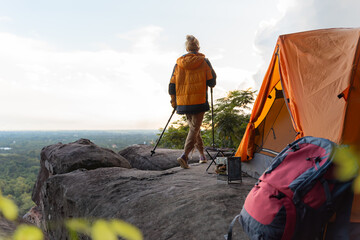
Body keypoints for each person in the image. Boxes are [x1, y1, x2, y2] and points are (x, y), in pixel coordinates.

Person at [168, 35, 216, 169]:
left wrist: (174, 102)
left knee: (194, 128)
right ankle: (185, 156)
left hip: (183, 102)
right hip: (198, 101)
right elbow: (212, 82)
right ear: (198, 47)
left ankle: (202, 155)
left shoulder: (178, 64)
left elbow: (171, 86)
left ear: (187, 48)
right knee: (195, 128)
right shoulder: (204, 61)